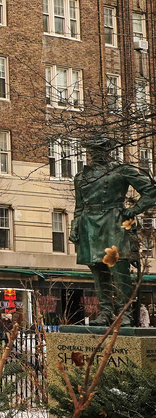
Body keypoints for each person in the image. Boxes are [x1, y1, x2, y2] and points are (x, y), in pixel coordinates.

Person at [70, 137, 156, 326]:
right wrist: (75, 225)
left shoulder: (121, 170)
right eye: (93, 148)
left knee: (119, 270)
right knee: (98, 271)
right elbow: (79, 206)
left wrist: (134, 210)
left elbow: (151, 190)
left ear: (108, 150)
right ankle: (105, 312)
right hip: (89, 224)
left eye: (101, 148)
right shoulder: (81, 177)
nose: (97, 152)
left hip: (113, 222)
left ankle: (124, 312)